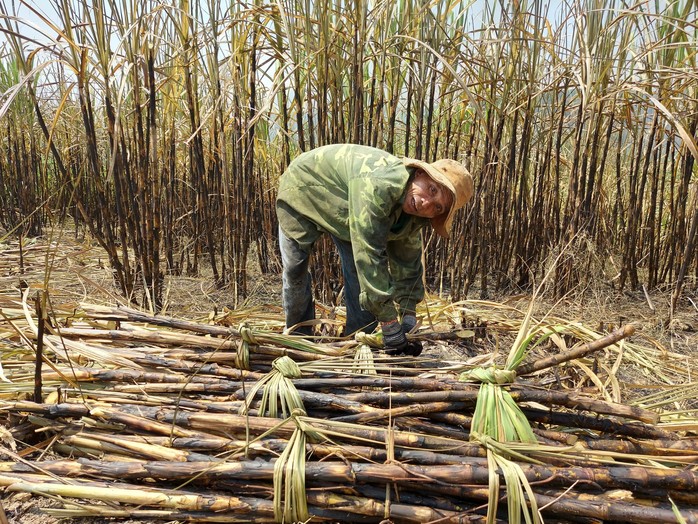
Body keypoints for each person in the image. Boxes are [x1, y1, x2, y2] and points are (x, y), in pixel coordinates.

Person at [276, 143, 474, 355]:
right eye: (431, 189)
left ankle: (355, 344)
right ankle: (300, 339)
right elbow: (369, 257)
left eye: (437, 207)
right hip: (304, 187)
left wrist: (408, 318)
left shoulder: (415, 212)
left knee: (357, 275)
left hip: (345, 207)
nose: (425, 203)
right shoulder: (378, 185)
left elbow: (408, 263)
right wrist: (389, 323)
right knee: (295, 269)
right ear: (418, 174)